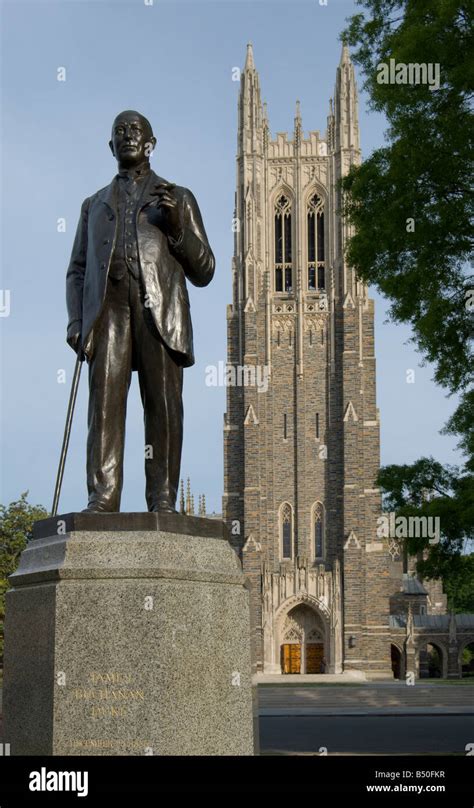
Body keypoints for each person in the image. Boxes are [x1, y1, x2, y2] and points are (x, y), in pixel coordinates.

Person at [66, 110, 215, 513]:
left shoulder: (176, 197)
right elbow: (77, 270)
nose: (128, 136)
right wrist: (77, 321)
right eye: (119, 132)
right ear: (110, 145)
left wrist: (177, 229)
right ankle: (103, 494)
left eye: (136, 131)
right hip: (108, 313)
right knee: (104, 405)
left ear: (151, 143)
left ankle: (163, 496)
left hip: (159, 312)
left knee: (164, 405)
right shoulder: (92, 205)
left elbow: (205, 269)